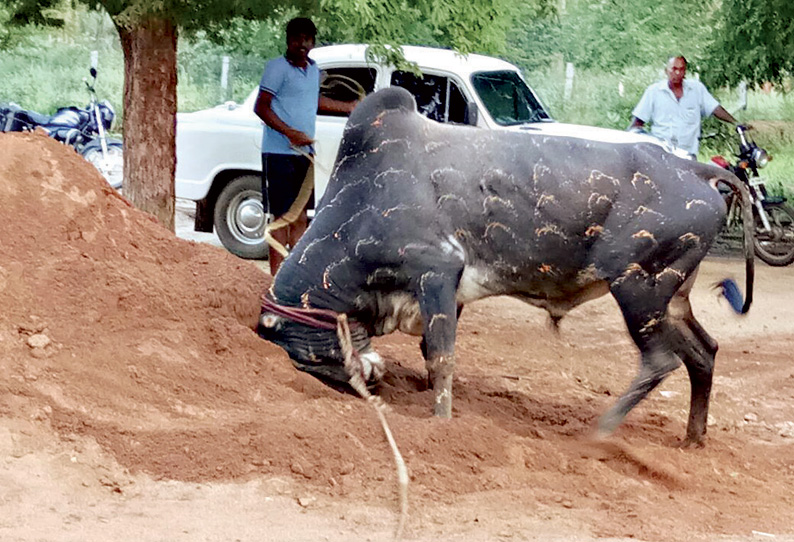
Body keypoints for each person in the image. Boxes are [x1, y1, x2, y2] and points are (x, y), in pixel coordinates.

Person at [254, 17, 356, 275]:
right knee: (281, 219)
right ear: (288, 40)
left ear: (313, 42)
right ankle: (276, 280)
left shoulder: (313, 70)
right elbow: (261, 106)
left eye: (307, 39)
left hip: (303, 155)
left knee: (300, 218)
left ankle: (293, 278)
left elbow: (314, 100)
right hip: (279, 153)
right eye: (297, 38)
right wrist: (289, 133)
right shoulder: (276, 68)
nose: (302, 44)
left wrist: (348, 108)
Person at [629, 56, 738, 158]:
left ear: (685, 72)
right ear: (666, 71)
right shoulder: (653, 91)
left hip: (688, 154)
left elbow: (715, 108)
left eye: (681, 69)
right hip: (661, 154)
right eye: (674, 69)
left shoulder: (697, 89)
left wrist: (736, 123)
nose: (677, 73)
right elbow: (637, 123)